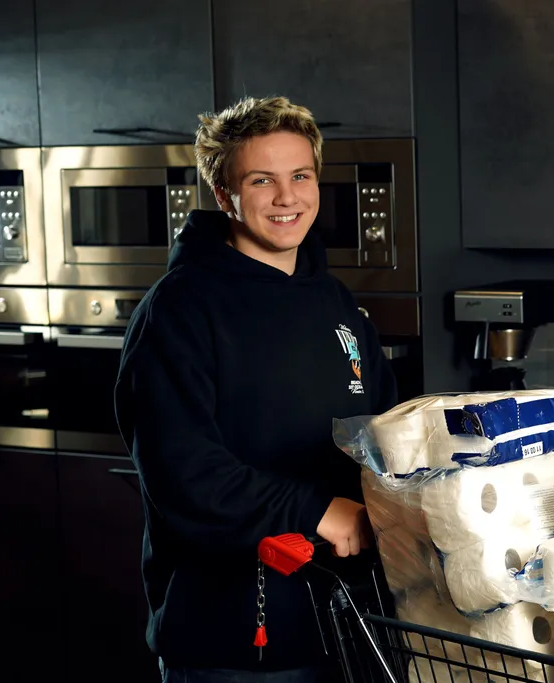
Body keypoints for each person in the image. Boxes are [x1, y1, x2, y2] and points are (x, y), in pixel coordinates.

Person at [114, 96, 398, 683]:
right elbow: (184, 474)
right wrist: (317, 509)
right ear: (225, 195)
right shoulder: (179, 310)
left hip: (348, 629)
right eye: (262, 180)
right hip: (234, 643)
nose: (287, 196)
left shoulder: (338, 305)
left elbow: (383, 435)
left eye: (300, 175)